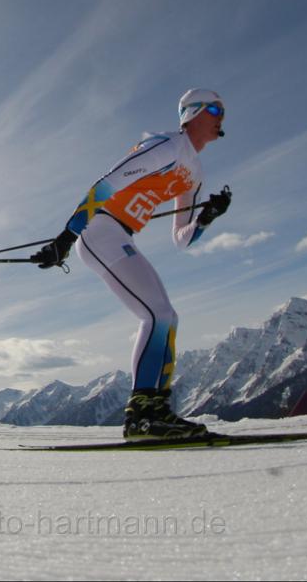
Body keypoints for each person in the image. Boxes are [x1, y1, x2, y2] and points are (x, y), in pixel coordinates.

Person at [31, 89, 231, 439]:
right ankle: (142, 415)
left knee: (165, 315)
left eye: (222, 110)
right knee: (157, 314)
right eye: (214, 108)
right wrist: (66, 238)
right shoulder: (165, 146)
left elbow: (181, 238)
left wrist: (206, 218)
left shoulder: (195, 173)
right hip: (99, 229)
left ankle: (153, 411)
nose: (221, 115)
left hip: (121, 236)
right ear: (192, 113)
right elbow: (106, 184)